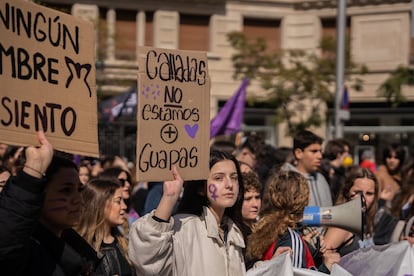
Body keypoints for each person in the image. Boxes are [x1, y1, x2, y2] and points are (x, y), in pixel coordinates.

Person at [129, 150, 249, 276]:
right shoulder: (184, 228)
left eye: (234, 178)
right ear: (200, 188)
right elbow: (148, 259)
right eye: (218, 178)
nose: (229, 184)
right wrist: (169, 197)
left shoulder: (235, 232)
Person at [0, 131, 100, 275]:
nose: (78, 198)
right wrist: (33, 170)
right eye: (66, 190)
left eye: (79, 189)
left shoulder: (83, 253)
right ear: (38, 194)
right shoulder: (24, 253)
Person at [246, 170, 339, 273]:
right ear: (304, 199)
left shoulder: (264, 228)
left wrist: (310, 251)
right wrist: (325, 268)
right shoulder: (292, 239)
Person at [76, 179, 135, 275]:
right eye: (118, 201)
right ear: (100, 204)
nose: (124, 206)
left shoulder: (125, 244)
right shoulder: (80, 249)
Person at [324, 166, 378, 256]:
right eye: (358, 192)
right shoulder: (342, 226)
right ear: (347, 192)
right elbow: (323, 259)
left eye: (369, 194)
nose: (363, 199)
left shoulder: (366, 221)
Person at [283, 130, 332, 207]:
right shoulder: (285, 181)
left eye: (320, 151)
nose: (320, 156)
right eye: (314, 151)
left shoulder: (321, 179)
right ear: (298, 153)